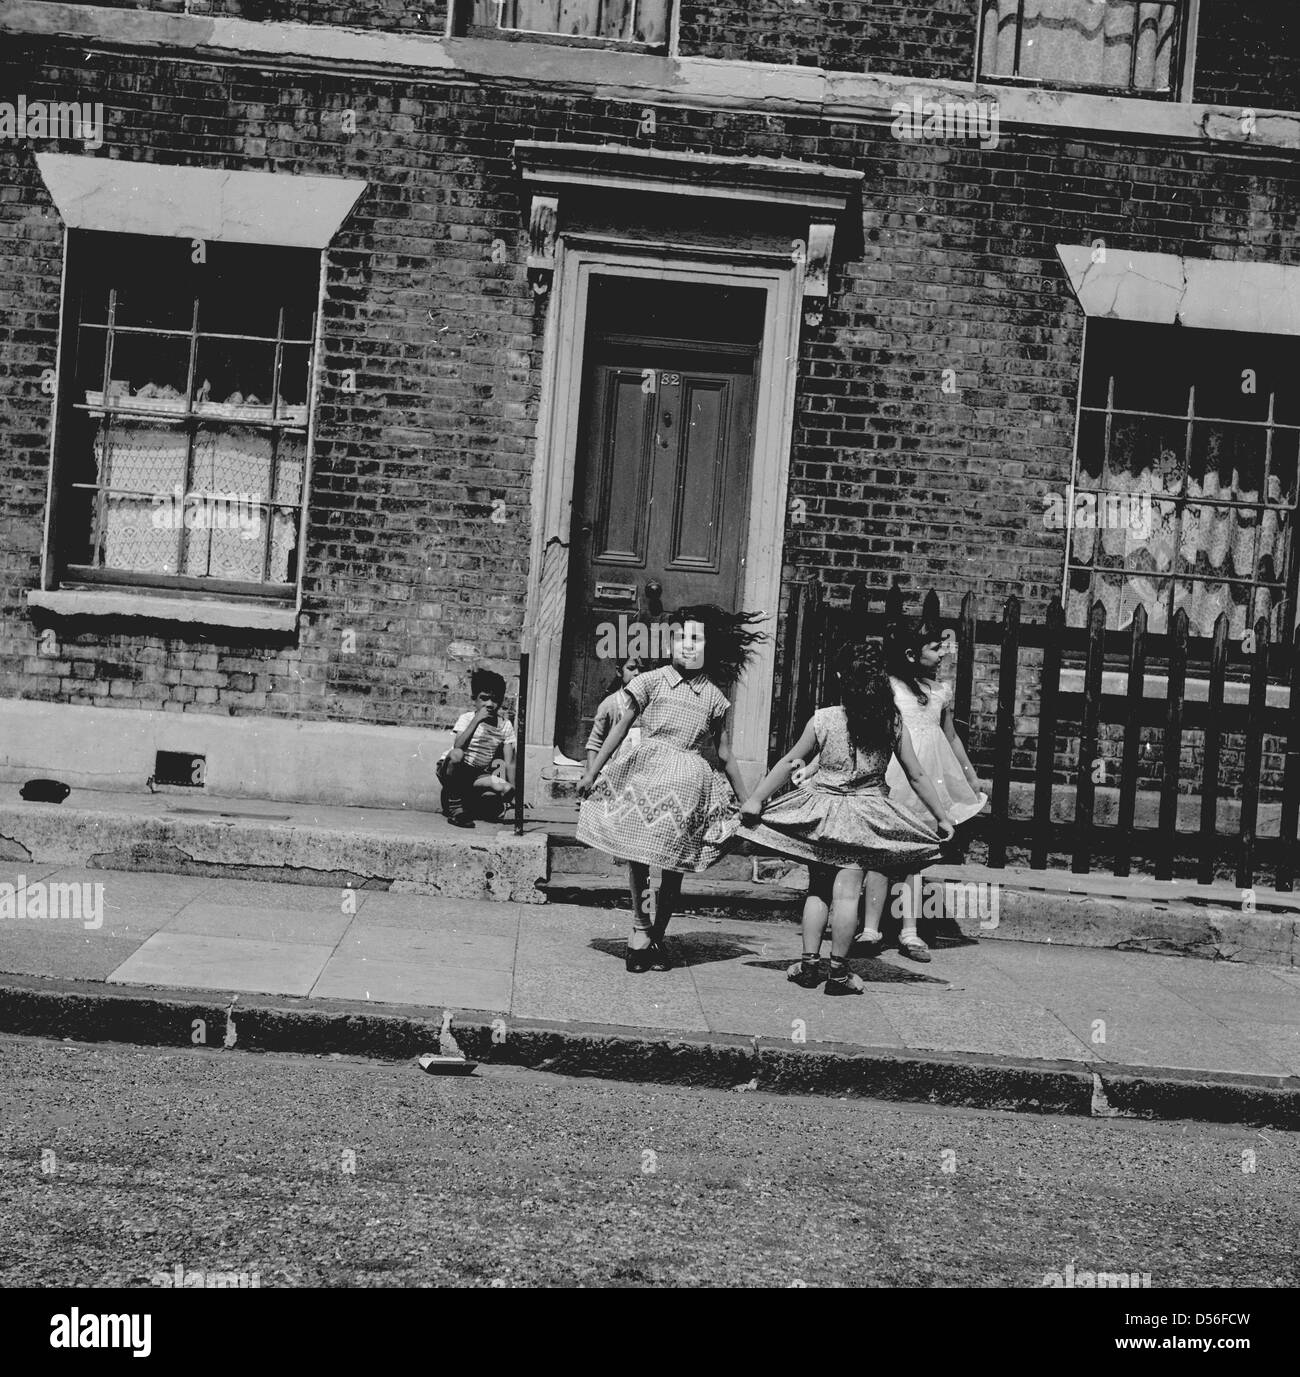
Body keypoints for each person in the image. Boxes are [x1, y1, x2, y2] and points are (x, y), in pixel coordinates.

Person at [735, 642, 955, 995]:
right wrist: (941, 817)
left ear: (840, 678)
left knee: (818, 889)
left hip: (823, 812)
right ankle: (838, 973)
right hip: (865, 816)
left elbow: (792, 761)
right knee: (849, 893)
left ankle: (809, 964)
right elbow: (915, 774)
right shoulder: (891, 722)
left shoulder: (823, 719)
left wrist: (757, 799)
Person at [576, 605, 764, 973]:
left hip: (687, 791)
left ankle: (657, 935)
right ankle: (639, 928)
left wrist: (747, 799)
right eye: (680, 637)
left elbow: (724, 753)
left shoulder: (714, 697)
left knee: (673, 867)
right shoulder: (650, 681)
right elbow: (618, 730)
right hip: (646, 778)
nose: (687, 646)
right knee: (638, 856)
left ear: (711, 645)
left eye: (696, 639)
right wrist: (592, 772)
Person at [882, 618, 987, 961]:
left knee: (915, 858)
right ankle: (869, 928)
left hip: (928, 781)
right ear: (912, 655)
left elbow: (951, 736)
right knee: (879, 852)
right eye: (935, 647)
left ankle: (909, 931)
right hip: (895, 775)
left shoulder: (940, 691)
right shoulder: (889, 687)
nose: (943, 652)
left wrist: (970, 777)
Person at [436, 668, 515, 829]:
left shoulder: (505, 725)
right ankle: (456, 810)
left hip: (477, 775)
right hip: (453, 768)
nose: (490, 704)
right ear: (474, 699)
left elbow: (510, 762)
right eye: (484, 698)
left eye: (495, 700)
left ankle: (465, 798)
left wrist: (513, 789)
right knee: (457, 754)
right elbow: (458, 746)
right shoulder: (467, 718)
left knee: (505, 789)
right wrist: (476, 721)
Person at [584, 655, 644, 772]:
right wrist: (591, 775)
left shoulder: (648, 703)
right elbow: (594, 743)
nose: (637, 673)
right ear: (619, 671)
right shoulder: (609, 705)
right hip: (613, 769)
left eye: (641, 669)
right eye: (631, 669)